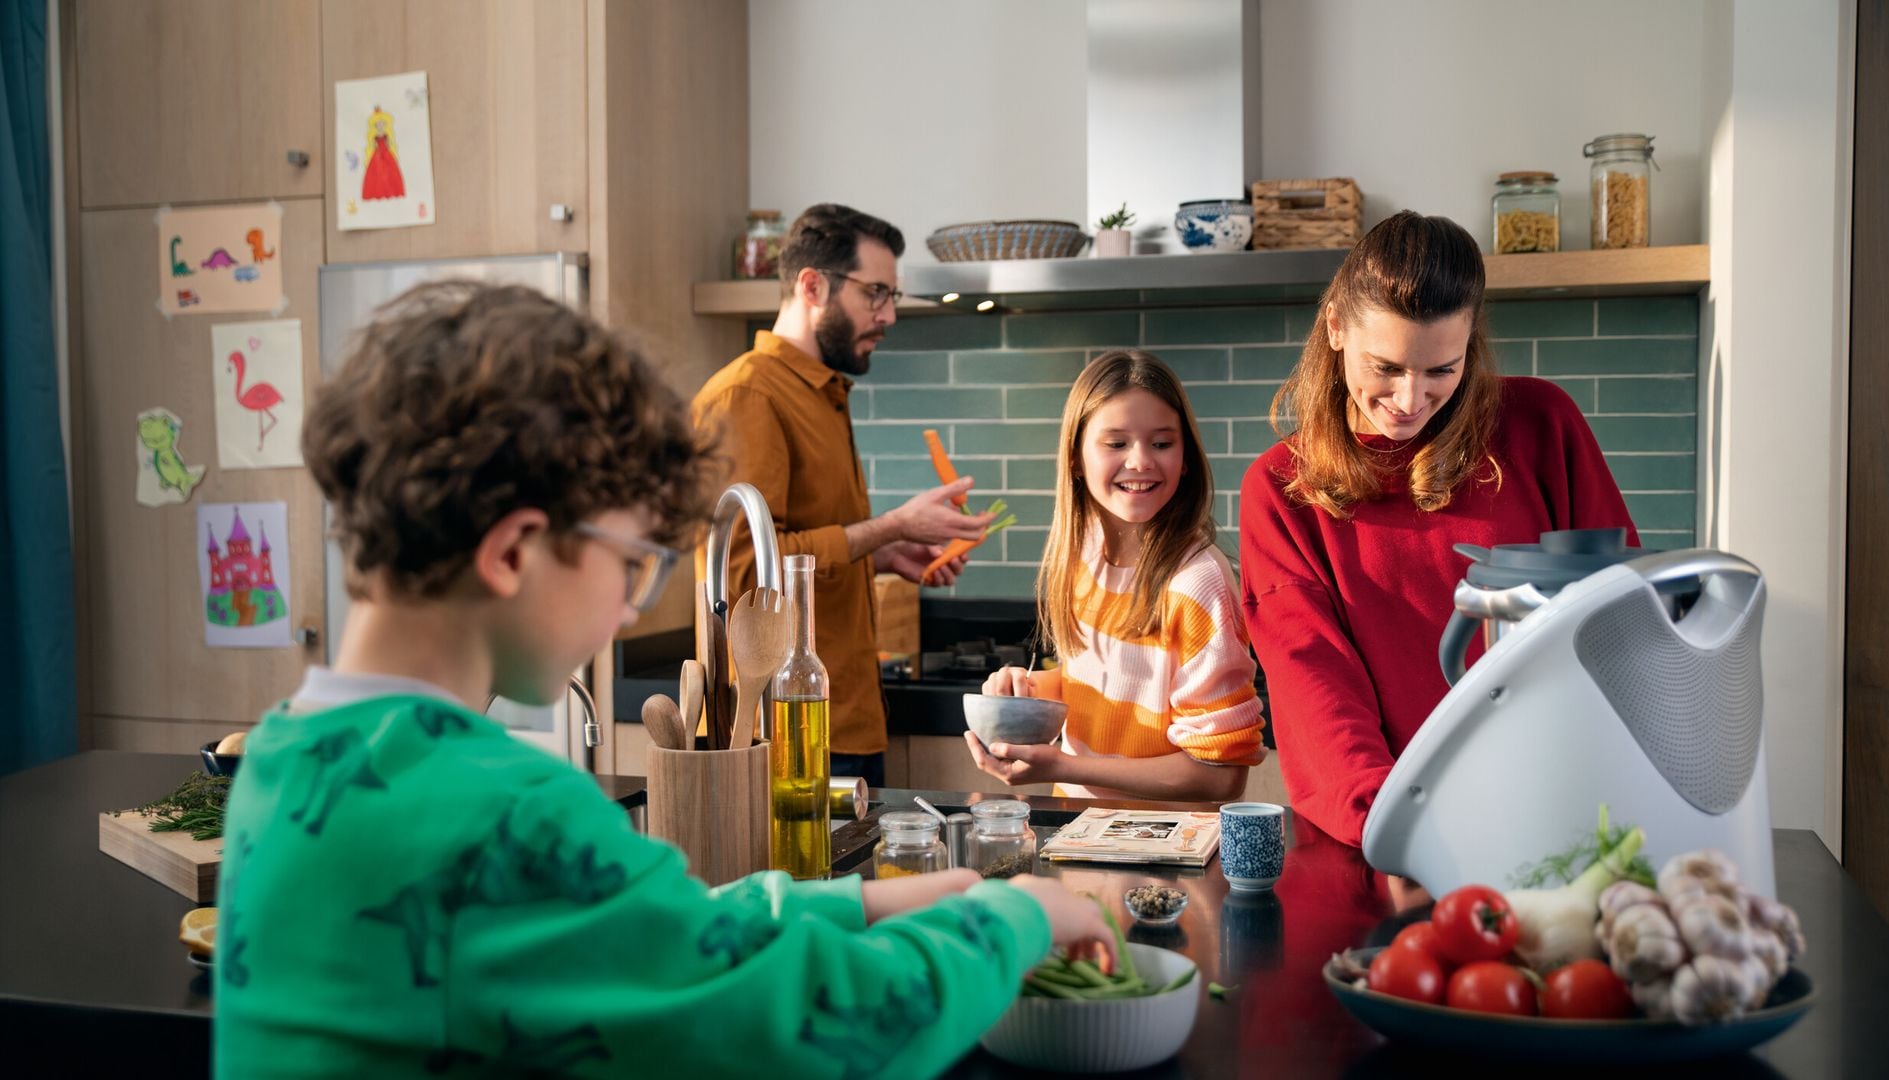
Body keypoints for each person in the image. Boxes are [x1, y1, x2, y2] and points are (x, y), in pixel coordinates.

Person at [214, 282, 1111, 1078]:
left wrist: (885, 896)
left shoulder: (289, 754)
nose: (632, 605)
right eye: (634, 561)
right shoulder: (503, 811)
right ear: (516, 551)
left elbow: (657, 932)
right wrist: (1014, 921)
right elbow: (802, 1025)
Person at [1239, 211, 1638, 849]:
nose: (1410, 398)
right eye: (1387, 368)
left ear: (1471, 340)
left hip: (1563, 812)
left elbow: (1620, 621)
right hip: (1393, 832)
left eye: (1441, 371)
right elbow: (1315, 683)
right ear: (1337, 326)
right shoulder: (1283, 489)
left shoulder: (1543, 426)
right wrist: (1399, 828)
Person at [691, 204, 997, 786]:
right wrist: (893, 526)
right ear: (812, 285)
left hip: (837, 717)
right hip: (785, 731)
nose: (889, 315)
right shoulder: (748, 396)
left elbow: (795, 548)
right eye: (875, 293)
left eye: (892, 296)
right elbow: (741, 572)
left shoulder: (821, 392)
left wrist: (882, 554)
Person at [965, 350, 1266, 802]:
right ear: (1075, 458)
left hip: (1164, 855)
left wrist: (1062, 765)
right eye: (1117, 443)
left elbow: (1221, 775)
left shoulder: (1199, 583)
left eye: (1162, 443)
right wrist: (1026, 691)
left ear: (1185, 459)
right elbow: (1102, 685)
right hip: (1076, 836)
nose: (1142, 461)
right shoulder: (1084, 555)